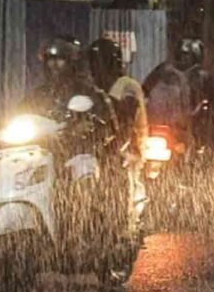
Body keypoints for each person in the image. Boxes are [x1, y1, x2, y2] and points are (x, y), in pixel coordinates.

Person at [87, 37, 149, 238]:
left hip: (126, 146)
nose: (97, 67)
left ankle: (121, 229)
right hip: (98, 144)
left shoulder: (126, 84)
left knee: (117, 176)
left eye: (101, 61)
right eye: (93, 61)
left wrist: (118, 140)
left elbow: (127, 119)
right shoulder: (89, 87)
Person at [19, 35, 118, 149]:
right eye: (50, 59)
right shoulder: (39, 94)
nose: (54, 64)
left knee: (84, 163)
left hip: (77, 150)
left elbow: (102, 119)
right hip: (43, 147)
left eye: (60, 59)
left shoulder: (86, 91)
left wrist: (81, 127)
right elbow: (20, 112)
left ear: (71, 62)